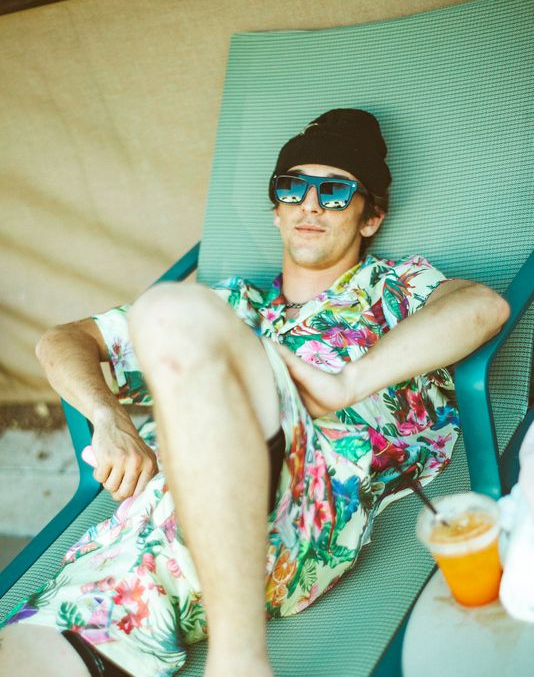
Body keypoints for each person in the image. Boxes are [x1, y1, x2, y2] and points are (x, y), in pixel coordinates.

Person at [0, 109, 510, 677]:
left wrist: (348, 382)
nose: (310, 205)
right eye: (292, 187)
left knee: (167, 311)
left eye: (336, 192)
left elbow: (483, 307)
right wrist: (107, 418)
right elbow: (62, 341)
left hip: (301, 512)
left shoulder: (391, 290)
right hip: (138, 548)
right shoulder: (233, 305)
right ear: (276, 209)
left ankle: (240, 663)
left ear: (371, 219)